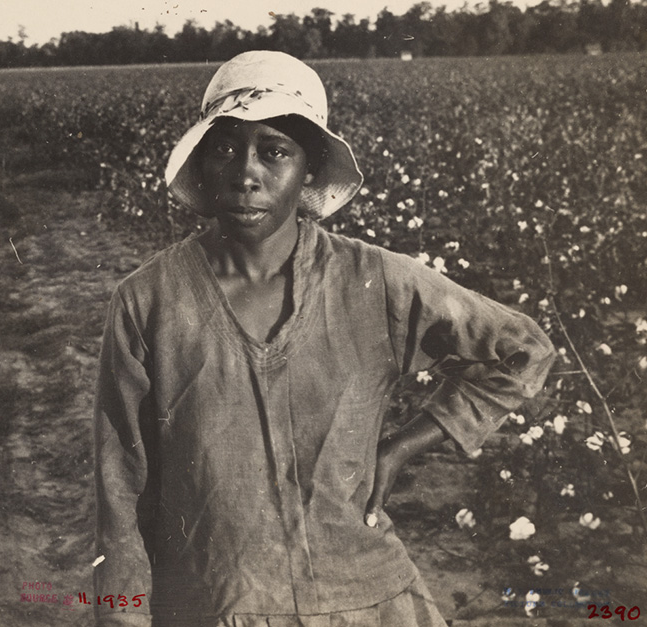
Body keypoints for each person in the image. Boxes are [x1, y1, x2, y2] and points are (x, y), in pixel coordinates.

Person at [93, 50, 555, 626]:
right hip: (218, 598)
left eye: (275, 151)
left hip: (361, 592)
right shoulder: (149, 300)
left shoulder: (375, 280)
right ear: (204, 162)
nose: (246, 174)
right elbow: (120, 486)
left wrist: (400, 449)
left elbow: (522, 349)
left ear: (310, 167)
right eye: (226, 147)